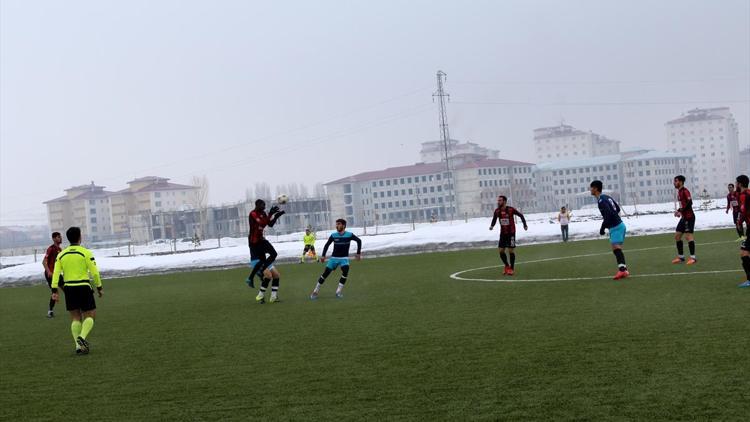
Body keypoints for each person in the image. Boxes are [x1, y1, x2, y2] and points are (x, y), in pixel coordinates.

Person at [50, 227, 103, 355]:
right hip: (84, 287)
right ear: (80, 237)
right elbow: (94, 272)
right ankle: (82, 338)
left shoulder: (61, 254)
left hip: (69, 289)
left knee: (75, 317)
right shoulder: (85, 252)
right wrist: (99, 287)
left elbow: (56, 273)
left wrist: (54, 291)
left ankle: (78, 346)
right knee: (90, 315)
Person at [310, 219, 362, 299]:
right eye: (336, 224)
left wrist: (358, 253)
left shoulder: (349, 235)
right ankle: (315, 291)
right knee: (325, 274)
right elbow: (327, 245)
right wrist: (323, 256)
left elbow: (359, 241)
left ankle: (338, 292)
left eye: (339, 224)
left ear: (343, 226)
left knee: (345, 271)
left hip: (344, 258)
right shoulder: (333, 235)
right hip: (334, 258)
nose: (337, 225)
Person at [590, 180, 629, 280]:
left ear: (595, 188)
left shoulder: (601, 201)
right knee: (615, 248)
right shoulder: (606, 197)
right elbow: (617, 208)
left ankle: (622, 271)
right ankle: (624, 269)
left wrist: (602, 227)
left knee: (616, 248)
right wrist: (615, 219)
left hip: (616, 227)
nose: (590, 190)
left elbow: (608, 214)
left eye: (591, 188)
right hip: (618, 225)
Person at [246, 199, 285, 288]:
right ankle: (254, 276)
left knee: (270, 256)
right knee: (266, 258)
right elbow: (262, 223)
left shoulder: (263, 213)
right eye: (263, 205)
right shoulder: (253, 214)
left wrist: (276, 216)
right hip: (254, 241)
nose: (264, 206)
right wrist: (270, 214)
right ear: (257, 205)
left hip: (261, 240)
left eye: (264, 205)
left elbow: (269, 224)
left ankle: (252, 277)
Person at [489, 195, 528, 276]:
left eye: (500, 200)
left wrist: (524, 224)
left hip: (511, 233)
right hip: (503, 233)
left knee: (510, 251)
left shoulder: (511, 209)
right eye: (498, 200)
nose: (498, 202)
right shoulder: (497, 211)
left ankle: (512, 269)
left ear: (504, 201)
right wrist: (492, 226)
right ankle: (507, 266)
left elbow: (521, 215)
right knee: (501, 251)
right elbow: (494, 219)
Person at [672, 175, 697, 264]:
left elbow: (690, 202)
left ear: (681, 182)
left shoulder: (685, 191)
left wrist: (681, 211)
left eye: (676, 181)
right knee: (677, 236)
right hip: (684, 218)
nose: (674, 183)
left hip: (689, 217)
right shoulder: (679, 192)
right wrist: (678, 211)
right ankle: (681, 257)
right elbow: (683, 205)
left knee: (688, 236)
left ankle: (693, 258)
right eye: (674, 181)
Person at [42, 231, 63, 318]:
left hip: (57, 274)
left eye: (60, 237)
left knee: (67, 290)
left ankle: (75, 308)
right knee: (55, 293)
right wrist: (49, 271)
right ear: (54, 238)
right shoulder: (51, 249)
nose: (60, 238)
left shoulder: (60, 250)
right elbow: (44, 262)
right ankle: (50, 312)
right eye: (58, 237)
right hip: (50, 274)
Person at [736, 175, 750, 288]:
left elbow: (744, 211)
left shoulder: (744, 195)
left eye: (736, 183)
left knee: (744, 253)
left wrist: (739, 223)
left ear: (740, 184)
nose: (736, 185)